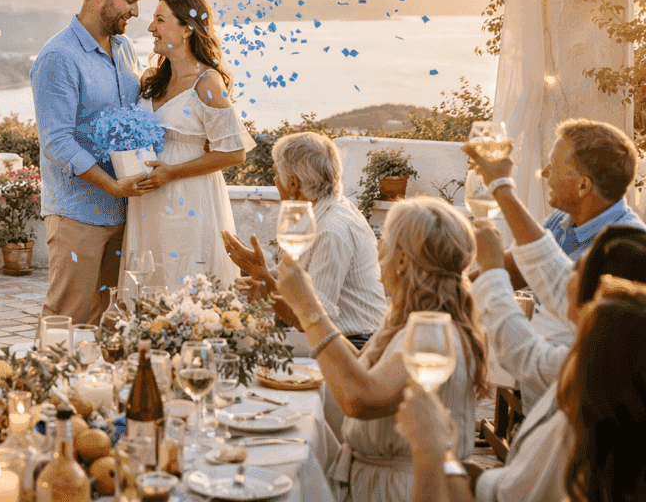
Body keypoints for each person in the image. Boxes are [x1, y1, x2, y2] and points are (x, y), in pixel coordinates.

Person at [275, 197, 488, 502]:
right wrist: (301, 307)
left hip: (405, 491)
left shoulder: (435, 336)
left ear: (402, 260)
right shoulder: (408, 321)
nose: (377, 250)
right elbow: (359, 368)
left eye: (384, 241)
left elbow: (360, 396)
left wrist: (310, 308)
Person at [397, 275, 646, 502]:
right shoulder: (617, 462)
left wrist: (432, 447)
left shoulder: (571, 440)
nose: (567, 356)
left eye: (579, 346)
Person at [464, 221, 646, 500]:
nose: (566, 273)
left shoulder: (586, 401)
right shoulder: (619, 365)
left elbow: (528, 355)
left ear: (600, 294)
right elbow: (551, 275)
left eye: (575, 267)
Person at [31, 0, 148, 326]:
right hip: (78, 212)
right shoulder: (58, 57)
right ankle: (46, 384)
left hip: (124, 211)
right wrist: (110, 185)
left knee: (112, 322)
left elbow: (134, 117)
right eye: (129, 0)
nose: (134, 11)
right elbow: (57, 142)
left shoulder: (126, 49)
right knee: (68, 317)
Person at [464, 118, 643, 348]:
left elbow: (579, 326)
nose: (545, 173)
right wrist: (447, 291)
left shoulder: (626, 248)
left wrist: (500, 185)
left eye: (553, 166)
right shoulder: (562, 220)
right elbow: (518, 267)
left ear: (583, 186)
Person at [119, 0, 249, 289]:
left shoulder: (208, 83)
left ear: (187, 29)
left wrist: (172, 172)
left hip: (190, 196)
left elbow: (235, 153)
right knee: (148, 279)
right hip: (147, 197)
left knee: (186, 278)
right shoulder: (151, 79)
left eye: (160, 20)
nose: (151, 27)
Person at [222, 132, 387, 348]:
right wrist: (263, 280)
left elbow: (311, 320)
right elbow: (297, 289)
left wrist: (263, 278)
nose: (274, 180)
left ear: (292, 183)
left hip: (356, 347)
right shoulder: (320, 210)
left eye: (275, 173)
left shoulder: (331, 230)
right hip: (333, 340)